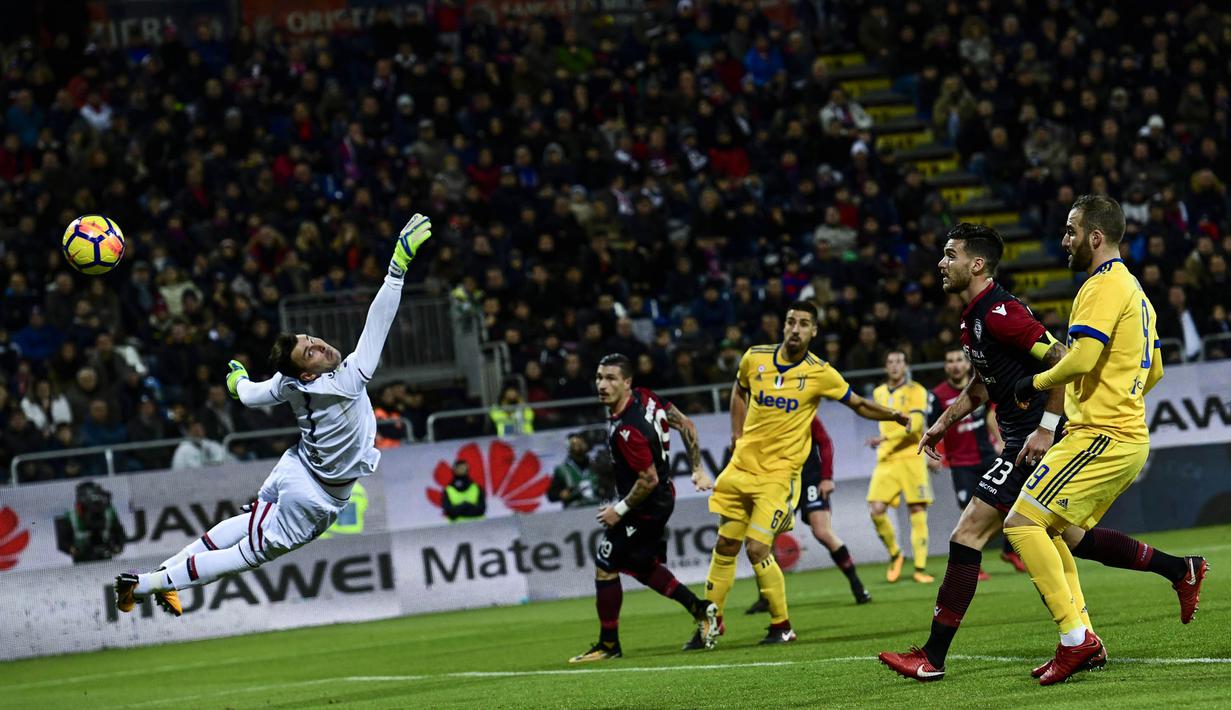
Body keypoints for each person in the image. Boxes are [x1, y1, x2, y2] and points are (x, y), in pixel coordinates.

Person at [880, 219, 1202, 683]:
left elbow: (1058, 361)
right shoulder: (974, 315)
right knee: (1068, 538)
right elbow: (982, 384)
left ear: (976, 264)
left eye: (950, 255)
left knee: (969, 533)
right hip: (1023, 438)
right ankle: (1177, 571)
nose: (941, 262)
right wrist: (942, 424)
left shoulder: (1001, 312)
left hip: (1031, 442)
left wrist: (1047, 428)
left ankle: (933, 657)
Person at [113, 214, 433, 617]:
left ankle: (164, 574)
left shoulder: (287, 384)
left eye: (311, 339)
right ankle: (145, 585)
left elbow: (249, 395)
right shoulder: (347, 380)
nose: (318, 344)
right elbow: (378, 322)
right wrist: (396, 267)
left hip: (296, 465)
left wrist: (236, 382)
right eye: (309, 352)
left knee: (245, 524)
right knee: (246, 554)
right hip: (315, 496)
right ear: (306, 372)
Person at [1003, 195, 1207, 685]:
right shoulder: (1136, 292)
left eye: (1072, 231)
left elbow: (1080, 359)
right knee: (1057, 533)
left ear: (1096, 237)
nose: (1064, 239)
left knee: (1022, 525)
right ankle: (1160, 584)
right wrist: (1122, 394)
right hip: (1123, 433)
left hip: (1100, 435)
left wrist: (1031, 385)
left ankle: (1077, 641)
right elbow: (1153, 368)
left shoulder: (1100, 286)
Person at [685, 301, 909, 650]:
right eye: (791, 321)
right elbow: (739, 388)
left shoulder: (820, 372)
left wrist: (892, 414)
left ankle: (782, 625)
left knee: (757, 547)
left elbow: (858, 403)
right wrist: (737, 435)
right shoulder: (754, 358)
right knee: (725, 544)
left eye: (804, 324)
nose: (795, 329)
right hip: (741, 467)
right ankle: (712, 622)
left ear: (813, 331)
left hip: (779, 474)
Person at [569, 353, 718, 663]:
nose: (602, 385)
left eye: (610, 379)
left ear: (627, 382)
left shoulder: (629, 429)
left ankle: (609, 645)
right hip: (659, 496)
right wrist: (697, 468)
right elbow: (685, 424)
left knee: (605, 563)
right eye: (599, 377)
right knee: (641, 566)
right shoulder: (645, 397)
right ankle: (702, 610)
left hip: (647, 504)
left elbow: (647, 479)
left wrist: (619, 510)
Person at [746, 415, 872, 614]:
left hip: (811, 480)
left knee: (822, 532)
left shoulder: (803, 410)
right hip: (781, 483)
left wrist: (827, 477)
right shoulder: (764, 413)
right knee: (765, 539)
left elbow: (825, 442)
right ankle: (766, 597)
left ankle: (857, 586)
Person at [929, 346, 1023, 577]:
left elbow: (991, 415)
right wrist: (933, 453)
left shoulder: (981, 386)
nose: (955, 364)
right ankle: (973, 564)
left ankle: (1010, 551)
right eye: (950, 361)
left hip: (988, 457)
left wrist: (1002, 442)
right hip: (961, 463)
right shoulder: (938, 395)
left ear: (968, 363)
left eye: (959, 360)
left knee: (1010, 503)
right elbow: (932, 425)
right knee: (969, 513)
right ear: (945, 366)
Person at [865, 349, 934, 584]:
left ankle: (920, 568)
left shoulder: (917, 391)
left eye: (899, 361)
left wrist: (885, 439)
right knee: (875, 509)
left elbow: (915, 426)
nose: (895, 365)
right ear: (886, 367)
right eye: (891, 361)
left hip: (911, 457)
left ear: (905, 366)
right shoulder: (878, 393)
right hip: (887, 460)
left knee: (917, 511)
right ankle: (896, 554)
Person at [548, 432, 603, 508]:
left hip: (597, 506)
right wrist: (561, 494)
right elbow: (551, 495)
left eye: (581, 443)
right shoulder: (562, 470)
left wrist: (603, 490)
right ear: (569, 447)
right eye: (575, 444)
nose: (579, 446)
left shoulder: (597, 465)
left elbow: (610, 487)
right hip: (574, 509)